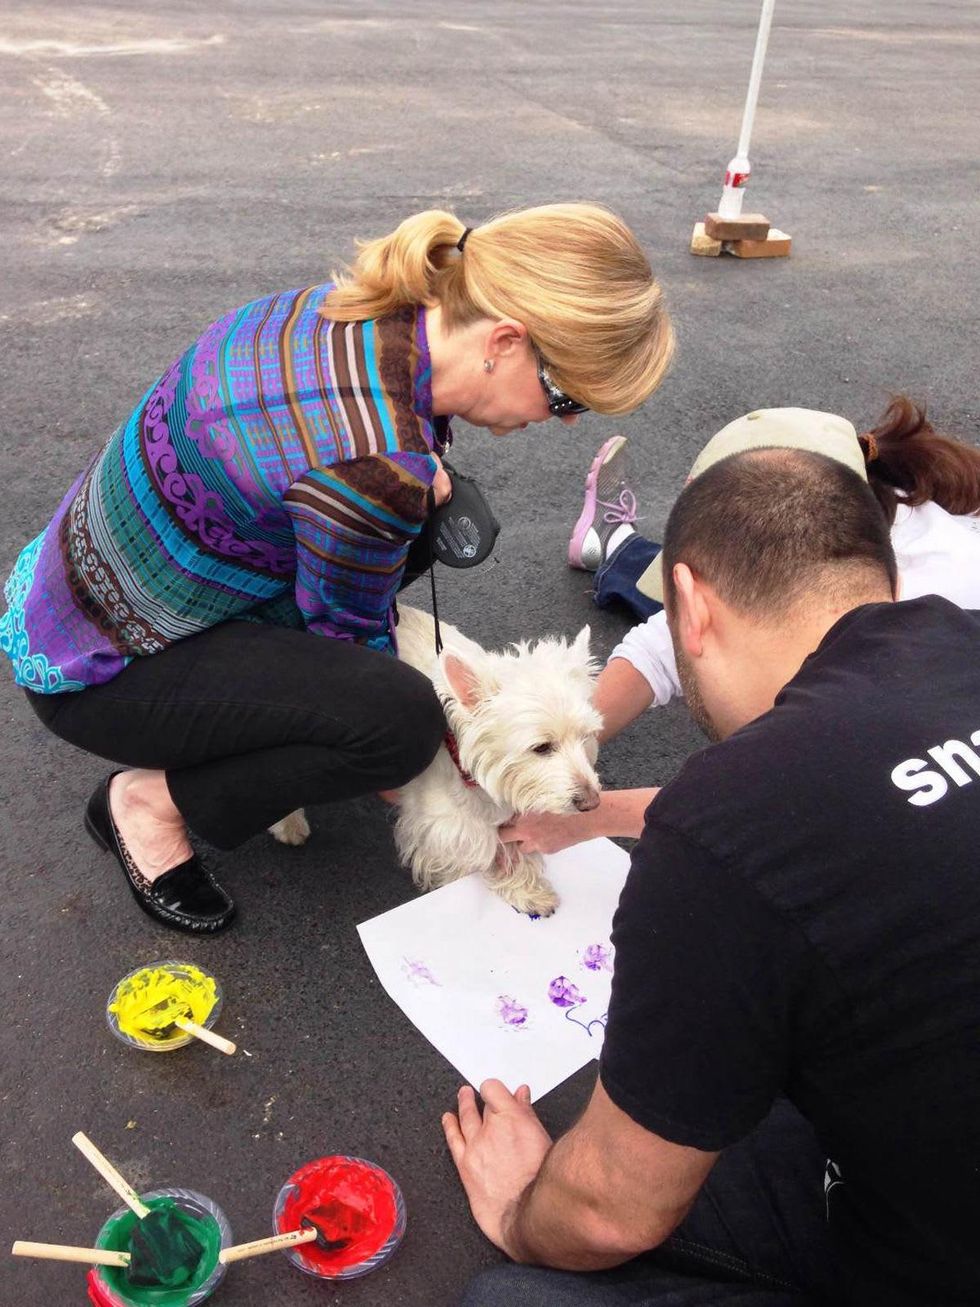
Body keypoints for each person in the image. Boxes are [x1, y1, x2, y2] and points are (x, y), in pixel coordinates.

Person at [0, 203, 674, 934]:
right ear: (506, 341)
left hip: (65, 592)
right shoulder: (376, 465)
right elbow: (354, 663)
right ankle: (150, 800)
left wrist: (415, 485)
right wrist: (433, 759)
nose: (568, 420)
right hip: (105, 673)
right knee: (395, 726)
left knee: (410, 535)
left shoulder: (347, 311)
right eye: (566, 396)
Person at [443, 447, 980, 1306]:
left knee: (513, 1292)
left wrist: (519, 1213)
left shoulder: (730, 821)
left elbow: (610, 1215)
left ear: (687, 604)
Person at [502, 398, 980, 856]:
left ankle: (616, 548)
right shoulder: (840, 531)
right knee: (671, 598)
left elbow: (794, 807)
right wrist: (566, 740)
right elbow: (665, 643)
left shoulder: (934, 611)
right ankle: (615, 545)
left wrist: (592, 816)